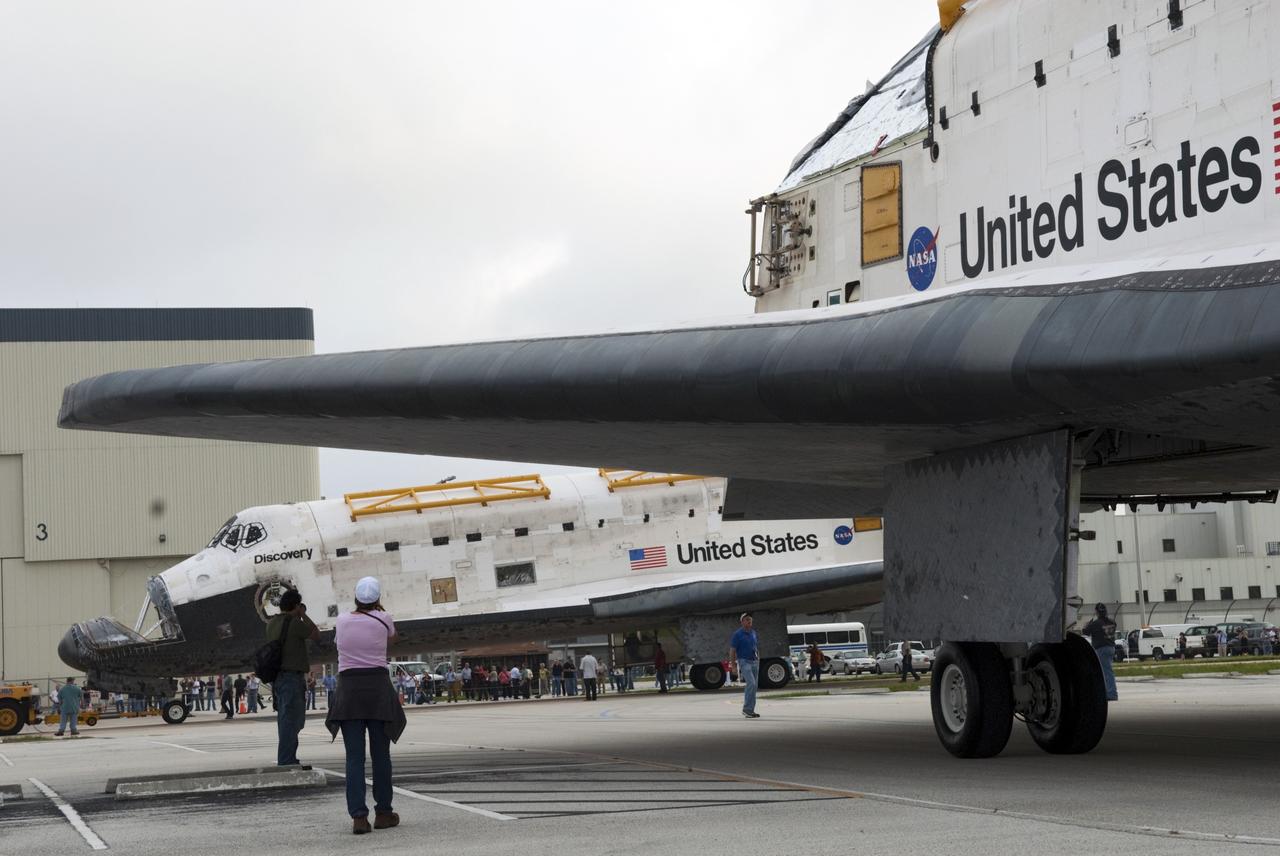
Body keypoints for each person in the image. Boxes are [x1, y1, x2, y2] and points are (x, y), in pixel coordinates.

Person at [327, 576, 405, 835]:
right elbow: (392, 639)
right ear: (378, 599)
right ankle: (384, 812)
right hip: (377, 689)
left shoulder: (341, 620)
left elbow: (339, 643)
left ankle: (359, 817)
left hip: (349, 690)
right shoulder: (385, 619)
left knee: (354, 758)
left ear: (356, 598)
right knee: (381, 755)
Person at [265, 588, 320, 766]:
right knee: (293, 720)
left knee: (285, 719)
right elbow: (315, 634)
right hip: (291, 677)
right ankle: (287, 759)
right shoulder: (295, 623)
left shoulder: (272, 623)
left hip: (279, 678)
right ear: (295, 606)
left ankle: (288, 757)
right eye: (299, 607)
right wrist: (304, 615)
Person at [1081, 603, 1118, 702]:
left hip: (1101, 648)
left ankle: (1112, 694)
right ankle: (1108, 692)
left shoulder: (1096, 623)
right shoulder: (1112, 622)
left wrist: (1086, 625)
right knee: (1107, 671)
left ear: (1097, 612)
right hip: (1111, 647)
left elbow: (1085, 632)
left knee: (1106, 672)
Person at [729, 613, 761, 719]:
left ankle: (750, 710)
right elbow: (732, 651)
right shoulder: (737, 634)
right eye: (747, 620)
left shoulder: (753, 633)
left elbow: (755, 647)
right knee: (751, 683)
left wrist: (758, 659)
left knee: (754, 686)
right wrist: (733, 666)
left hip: (754, 662)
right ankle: (746, 709)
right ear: (742, 622)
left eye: (750, 620)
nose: (749, 621)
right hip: (744, 661)